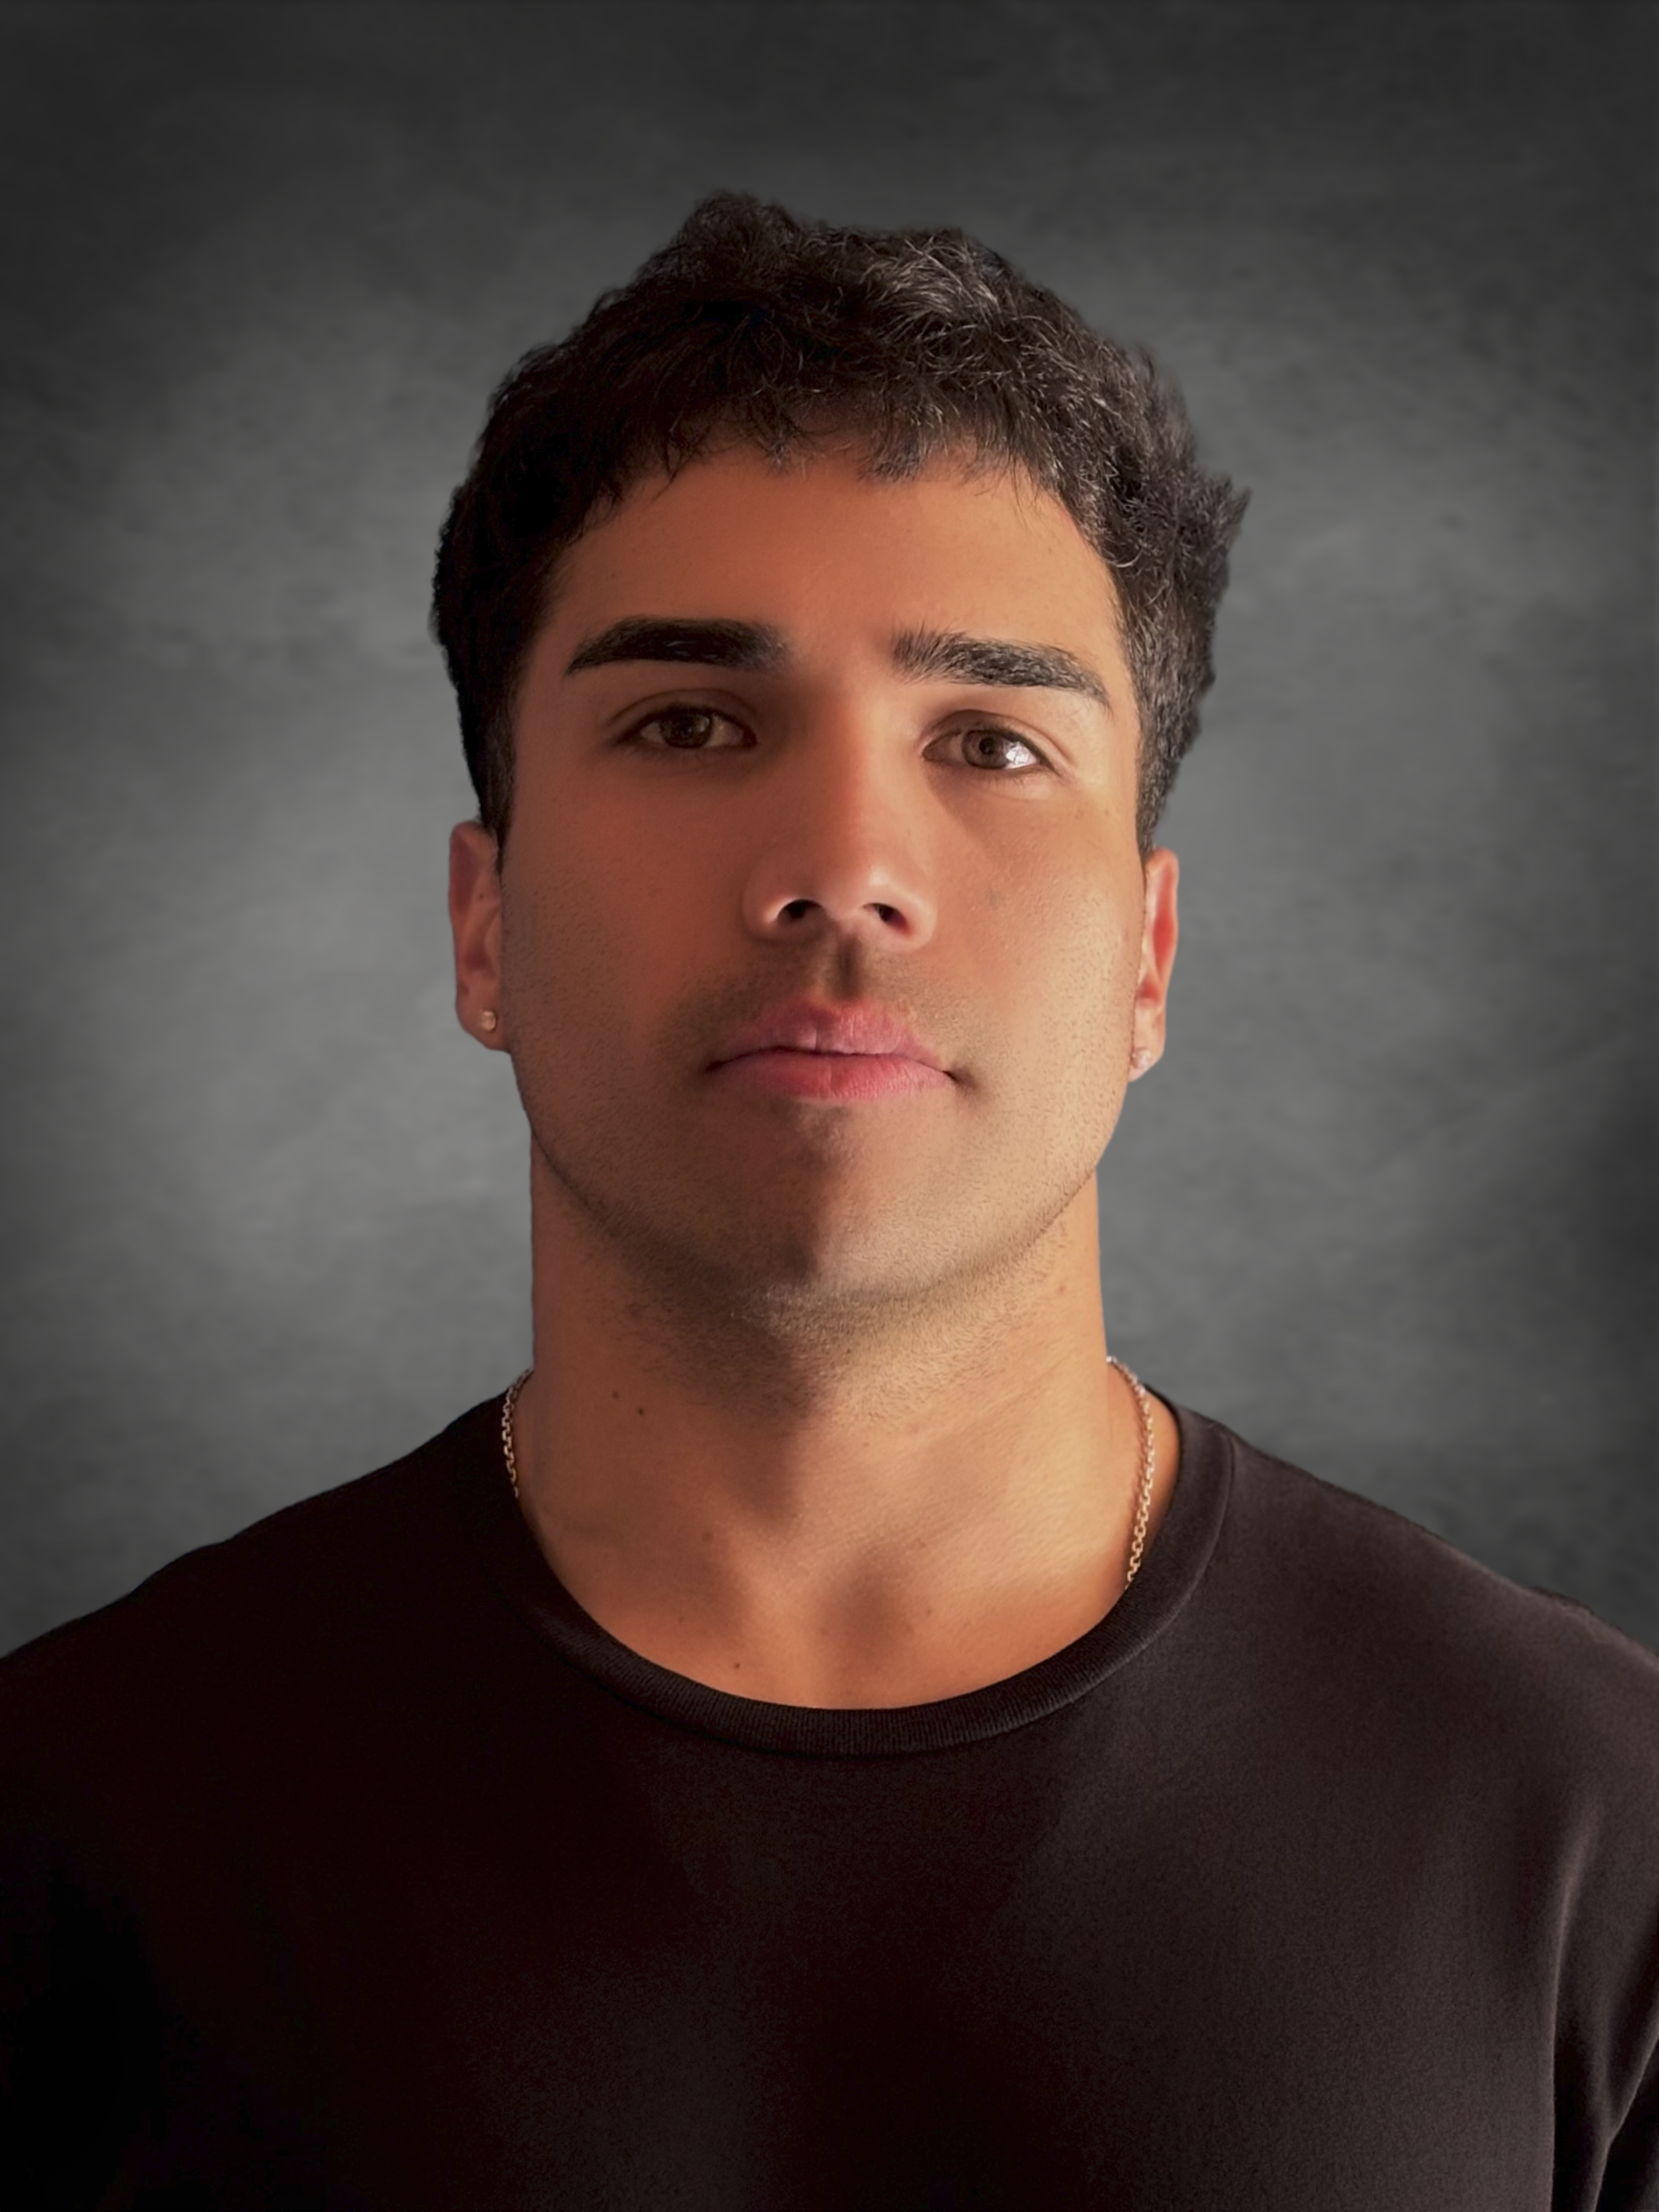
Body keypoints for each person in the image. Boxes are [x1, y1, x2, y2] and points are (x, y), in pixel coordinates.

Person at [1, 191, 1654, 2212]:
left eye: (990, 742)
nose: (846, 867)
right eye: (690, 724)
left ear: (1146, 961)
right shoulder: (77, 1828)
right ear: (484, 924)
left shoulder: (1597, 1833)